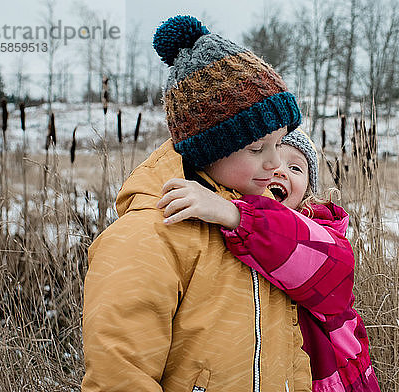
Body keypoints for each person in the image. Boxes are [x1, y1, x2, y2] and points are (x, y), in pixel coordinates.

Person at [81, 15, 312, 391]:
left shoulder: (269, 225)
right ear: (209, 150)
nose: (275, 163)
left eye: (279, 143)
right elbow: (119, 371)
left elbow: (291, 349)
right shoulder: (150, 234)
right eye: (257, 148)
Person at [158, 129, 381, 391]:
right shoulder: (222, 229)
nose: (279, 169)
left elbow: (328, 271)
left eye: (295, 168)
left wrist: (237, 215)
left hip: (328, 378)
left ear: (309, 193)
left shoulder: (324, 233)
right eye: (262, 155)